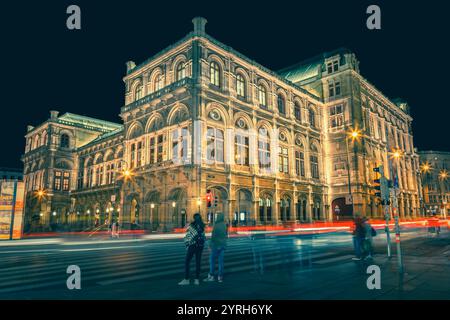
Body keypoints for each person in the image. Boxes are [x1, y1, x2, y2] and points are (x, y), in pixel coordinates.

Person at [178, 213, 206, 286]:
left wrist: (187, 242)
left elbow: (188, 236)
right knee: (198, 262)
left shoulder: (191, 226)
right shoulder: (202, 226)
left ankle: (187, 279)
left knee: (187, 261)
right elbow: (204, 237)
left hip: (192, 246)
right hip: (200, 246)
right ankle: (196, 279)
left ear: (194, 218)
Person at [204, 212, 228, 283]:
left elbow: (213, 236)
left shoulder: (216, 225)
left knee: (212, 260)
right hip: (223, 245)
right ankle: (220, 277)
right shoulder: (225, 225)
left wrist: (210, 246)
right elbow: (226, 235)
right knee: (221, 262)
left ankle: (211, 276)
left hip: (216, 245)